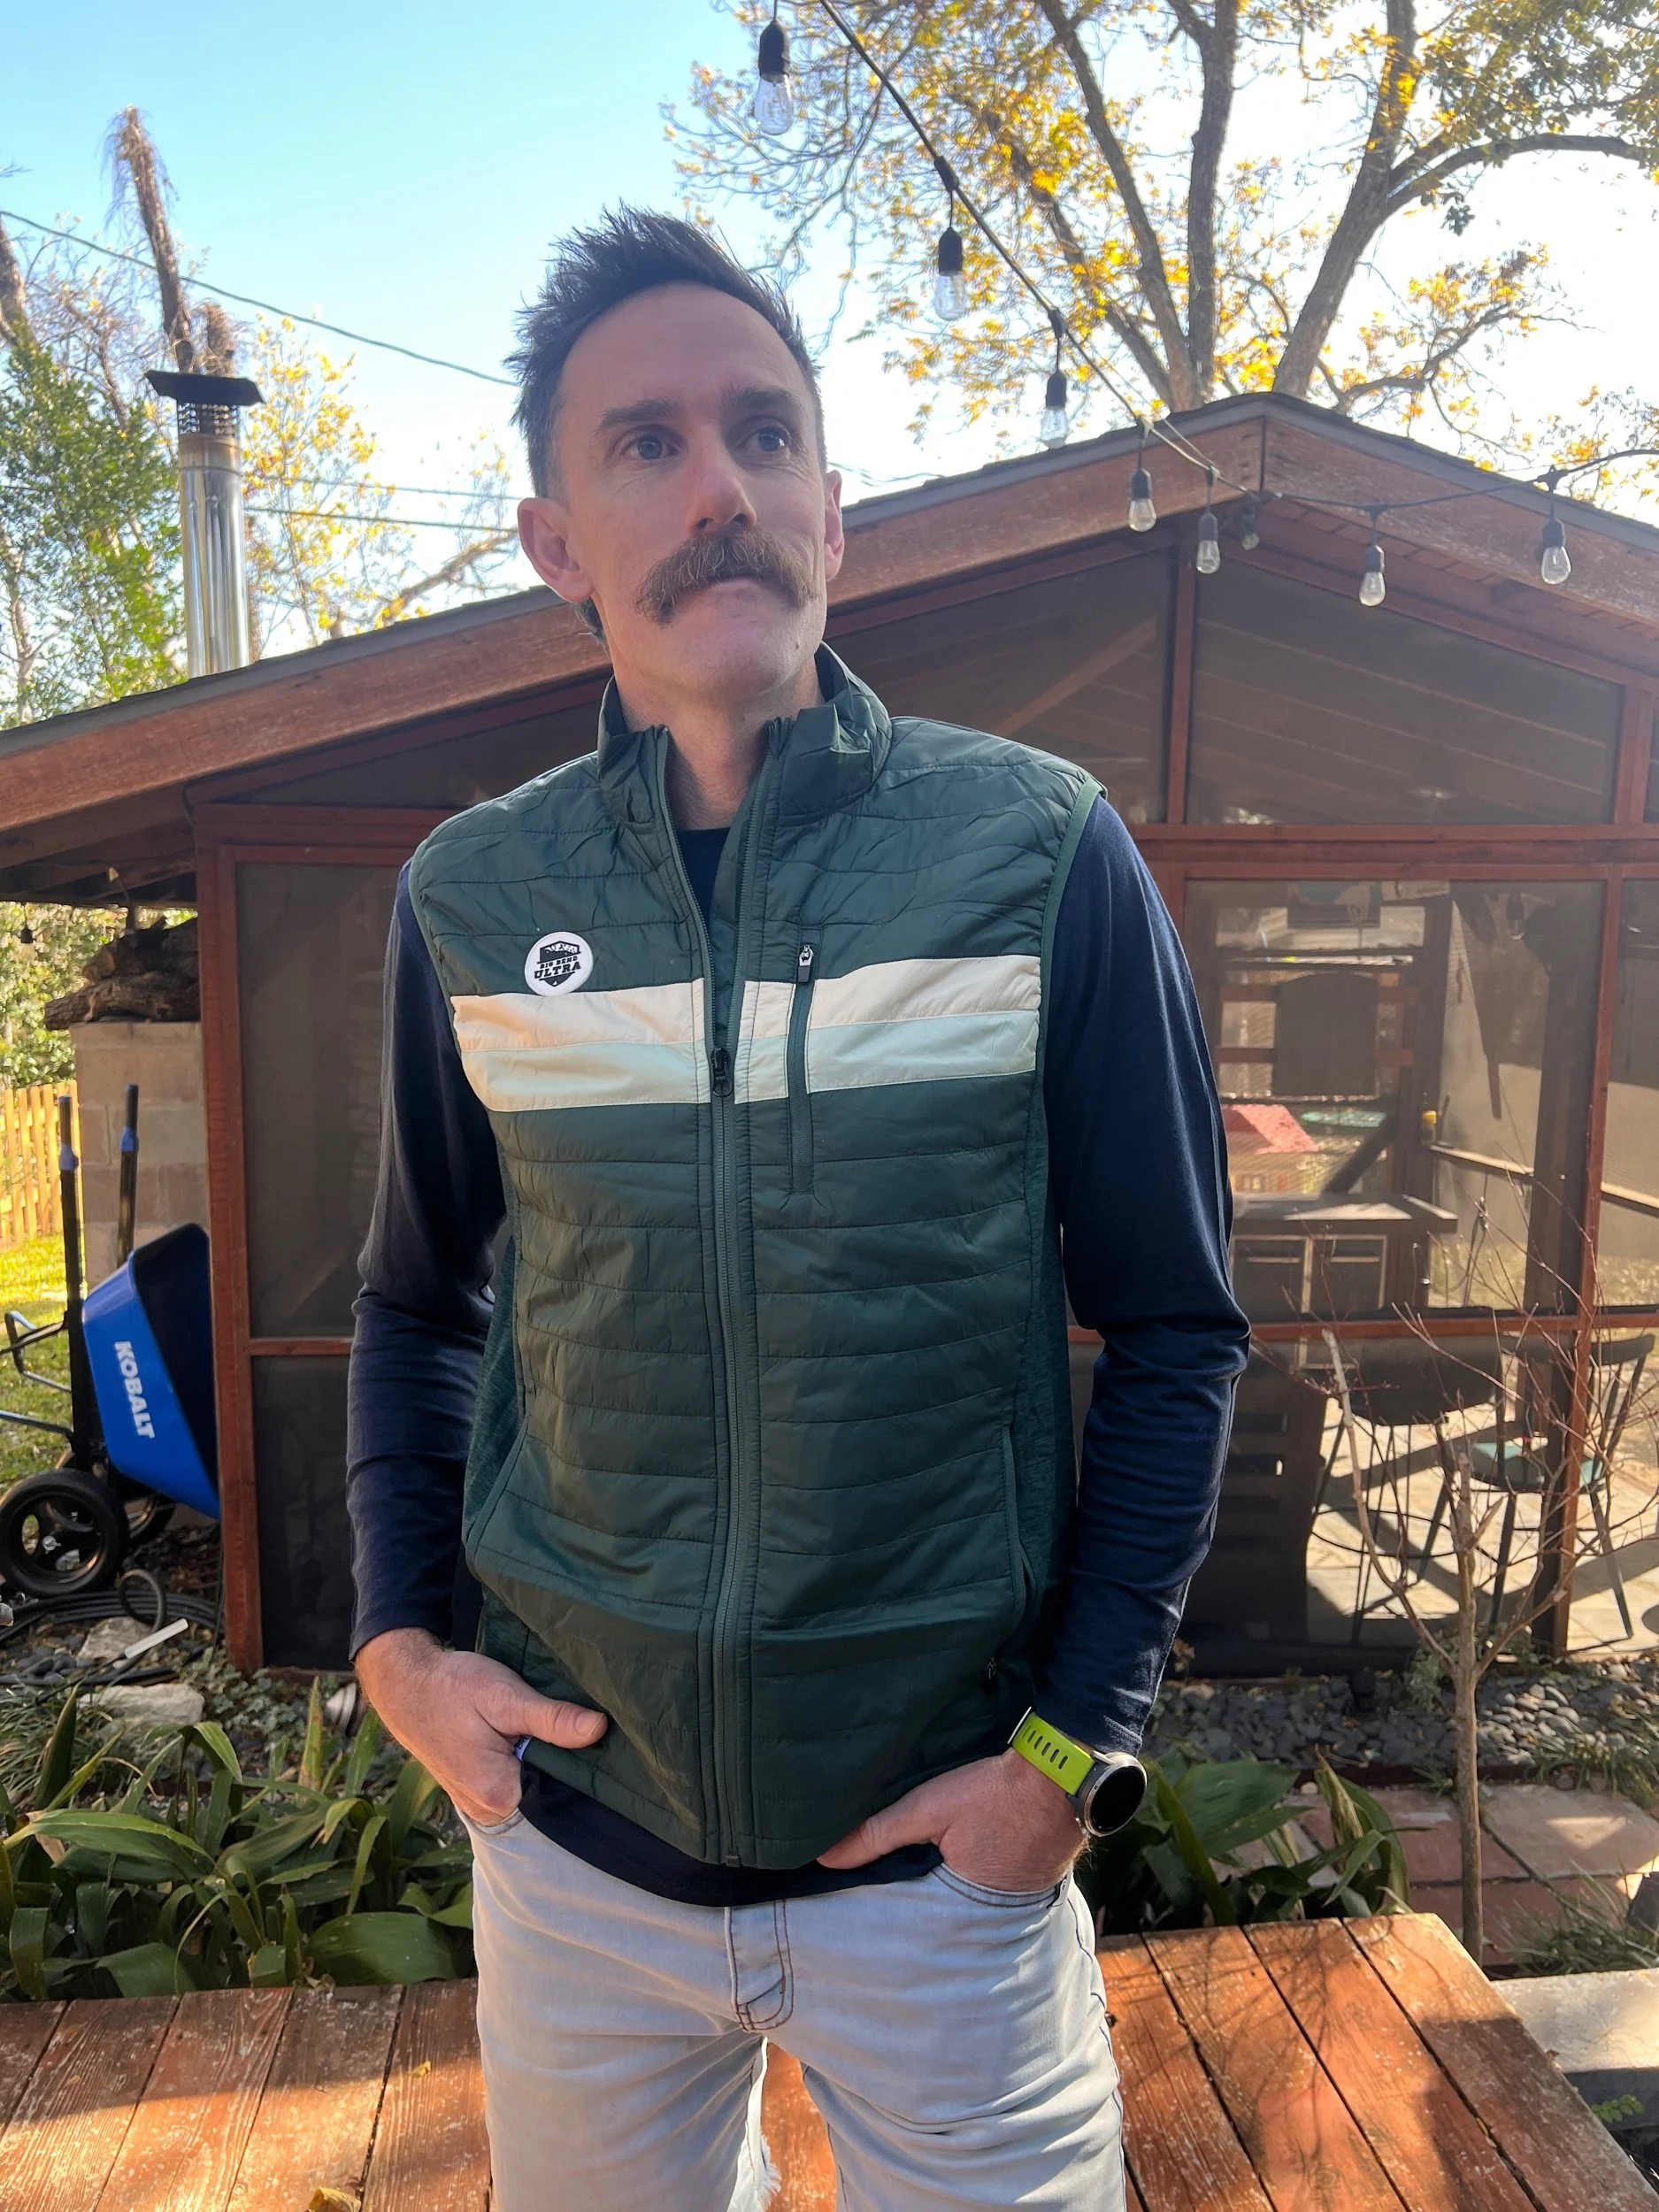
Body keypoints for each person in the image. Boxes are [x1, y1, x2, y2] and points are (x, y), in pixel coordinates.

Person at [348, 208, 1248, 2212]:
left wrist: (1063, 1758)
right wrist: (399, 1646)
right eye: (645, 444)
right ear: (556, 541)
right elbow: (418, 1301)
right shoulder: (472, 900)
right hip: (575, 1860)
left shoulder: (1040, 855)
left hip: (942, 1874)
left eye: (763, 432)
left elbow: (1176, 1324)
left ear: (834, 509)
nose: (718, 489)